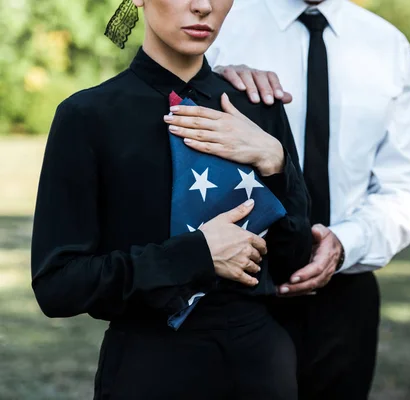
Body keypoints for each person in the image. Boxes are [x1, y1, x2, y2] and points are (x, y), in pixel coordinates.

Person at [30, 0, 312, 399]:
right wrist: (195, 256)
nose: (202, 6)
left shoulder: (257, 107)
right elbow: (58, 286)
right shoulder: (87, 116)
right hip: (151, 370)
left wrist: (275, 161)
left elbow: (294, 262)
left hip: (262, 370)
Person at [196, 0, 410, 398]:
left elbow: (403, 186)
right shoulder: (215, 24)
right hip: (233, 291)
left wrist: (345, 244)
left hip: (343, 299)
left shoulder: (388, 46)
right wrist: (206, 84)